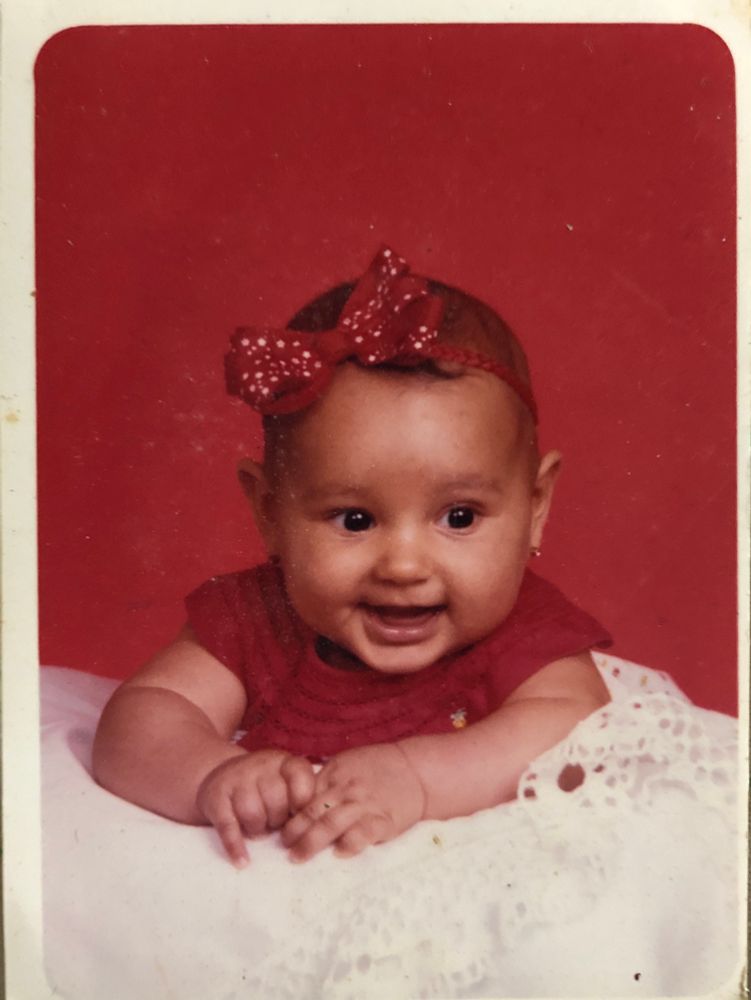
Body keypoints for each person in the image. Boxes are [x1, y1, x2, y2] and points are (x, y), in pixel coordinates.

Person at [93, 246, 612, 869]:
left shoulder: (525, 629)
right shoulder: (259, 618)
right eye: (355, 520)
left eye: (459, 517)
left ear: (536, 504)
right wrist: (214, 774)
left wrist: (417, 778)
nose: (403, 565)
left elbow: (579, 730)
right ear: (269, 512)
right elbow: (140, 721)